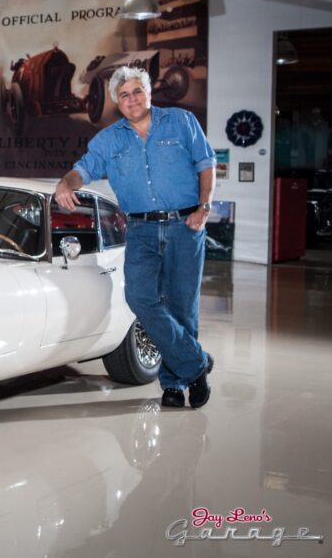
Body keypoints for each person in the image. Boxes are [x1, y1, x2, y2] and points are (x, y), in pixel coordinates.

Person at [53, 66, 216, 409]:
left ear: (149, 92)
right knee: (140, 299)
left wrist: (204, 207)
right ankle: (196, 363)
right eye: (124, 95)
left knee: (181, 306)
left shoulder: (181, 121)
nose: (132, 99)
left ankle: (173, 384)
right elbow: (82, 169)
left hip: (185, 225)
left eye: (137, 91)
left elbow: (206, 164)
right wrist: (65, 184)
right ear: (116, 101)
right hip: (140, 230)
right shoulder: (108, 139)